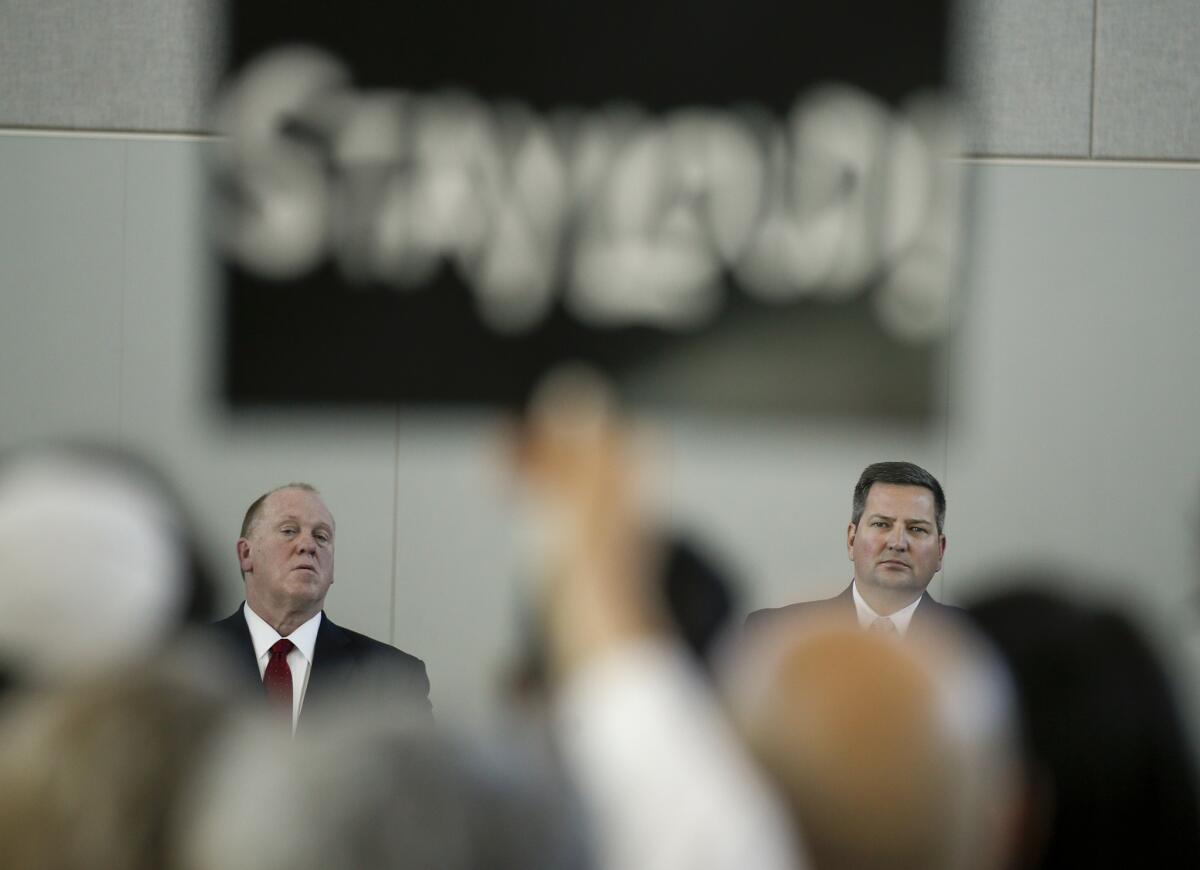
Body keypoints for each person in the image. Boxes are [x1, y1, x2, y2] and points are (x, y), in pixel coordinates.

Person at [208, 483, 430, 729]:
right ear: (246, 554)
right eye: (289, 531)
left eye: (321, 536)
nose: (308, 546)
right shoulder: (189, 657)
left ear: (332, 569)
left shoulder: (393, 678)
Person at [748, 461, 957, 637]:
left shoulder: (977, 639)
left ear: (940, 550)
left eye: (916, 529)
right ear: (851, 539)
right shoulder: (776, 633)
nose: (897, 543)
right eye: (881, 524)